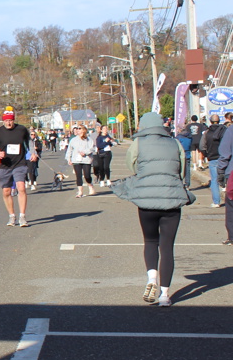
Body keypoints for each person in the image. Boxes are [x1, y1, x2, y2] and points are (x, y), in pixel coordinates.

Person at [112, 112, 194, 307]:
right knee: (167, 247)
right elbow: (182, 169)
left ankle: (151, 278)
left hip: (147, 200)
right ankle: (165, 295)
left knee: (150, 241)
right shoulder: (175, 143)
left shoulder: (138, 143)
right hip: (171, 198)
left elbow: (132, 165)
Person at [0, 107, 37, 227]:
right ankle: (12, 216)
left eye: (10, 120)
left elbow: (29, 142)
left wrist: (33, 153)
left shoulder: (21, 129)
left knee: (21, 187)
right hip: (5, 165)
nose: (8, 123)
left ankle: (22, 216)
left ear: (14, 120)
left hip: (19, 163)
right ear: (3, 121)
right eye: (6, 121)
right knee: (6, 191)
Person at [202, 114, 226, 208]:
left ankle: (216, 202)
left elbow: (202, 146)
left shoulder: (207, 133)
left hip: (212, 158)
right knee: (227, 178)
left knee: (214, 180)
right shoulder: (224, 131)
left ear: (210, 122)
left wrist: (206, 154)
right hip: (224, 157)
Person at [65, 125, 97, 198]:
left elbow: (92, 148)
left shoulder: (89, 139)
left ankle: (90, 185)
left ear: (83, 130)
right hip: (76, 160)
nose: (77, 130)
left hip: (86, 160)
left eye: (79, 128)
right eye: (77, 129)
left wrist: (85, 152)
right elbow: (69, 150)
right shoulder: (73, 140)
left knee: (87, 175)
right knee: (78, 176)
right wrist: (69, 159)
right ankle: (80, 191)